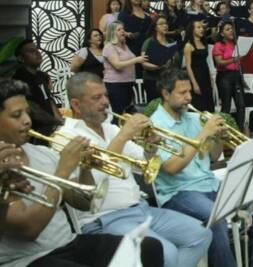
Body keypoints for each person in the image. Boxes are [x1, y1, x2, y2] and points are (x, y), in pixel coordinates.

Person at [0, 78, 165, 267]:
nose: (27, 120)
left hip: (68, 244)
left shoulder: (41, 153)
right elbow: (29, 230)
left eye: (27, 113)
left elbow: (83, 204)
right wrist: (63, 169)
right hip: (27, 260)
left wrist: (86, 166)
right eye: (16, 115)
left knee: (147, 248)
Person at [57, 72, 212, 267]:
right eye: (97, 98)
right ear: (76, 105)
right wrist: (123, 136)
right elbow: (94, 182)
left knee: (201, 234)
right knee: (167, 252)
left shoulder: (111, 128)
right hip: (103, 220)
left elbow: (145, 167)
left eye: (105, 95)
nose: (105, 102)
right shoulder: (68, 136)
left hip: (140, 209)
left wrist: (150, 146)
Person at [151, 69, 253, 267]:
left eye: (189, 92)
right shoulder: (155, 126)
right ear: (165, 95)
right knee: (215, 216)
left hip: (209, 184)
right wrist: (203, 134)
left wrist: (218, 136)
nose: (189, 98)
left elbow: (213, 156)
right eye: (182, 93)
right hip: (179, 193)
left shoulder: (192, 118)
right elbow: (171, 168)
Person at [12, 39, 63, 136]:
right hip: (35, 132)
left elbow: (50, 101)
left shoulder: (42, 76)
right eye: (32, 51)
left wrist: (60, 122)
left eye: (37, 50)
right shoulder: (20, 79)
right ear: (21, 58)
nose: (38, 53)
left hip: (51, 128)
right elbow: (33, 110)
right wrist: (56, 122)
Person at [103, 21, 147, 115]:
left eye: (123, 29)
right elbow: (117, 65)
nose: (123, 31)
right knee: (119, 113)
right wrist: (136, 60)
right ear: (112, 33)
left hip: (128, 83)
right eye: (119, 30)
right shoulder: (109, 47)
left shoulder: (125, 45)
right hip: (116, 85)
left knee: (127, 112)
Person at [213, 22, 246, 131]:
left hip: (236, 76)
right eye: (227, 29)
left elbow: (240, 63)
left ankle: (240, 131)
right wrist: (233, 59)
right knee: (226, 106)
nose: (231, 31)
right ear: (222, 33)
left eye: (231, 28)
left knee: (241, 105)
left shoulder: (236, 44)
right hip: (224, 77)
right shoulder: (219, 45)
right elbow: (219, 62)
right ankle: (223, 132)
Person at [141, 16, 181, 101]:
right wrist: (159, 67)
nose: (165, 26)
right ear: (155, 27)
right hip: (153, 80)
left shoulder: (171, 41)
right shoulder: (149, 42)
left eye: (166, 23)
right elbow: (143, 63)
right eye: (161, 24)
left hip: (169, 80)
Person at [118, 0, 152, 78]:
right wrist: (128, 34)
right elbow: (118, 30)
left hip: (145, 48)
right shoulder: (124, 14)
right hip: (130, 48)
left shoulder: (147, 15)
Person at [183, 20, 215, 112]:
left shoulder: (204, 43)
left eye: (202, 27)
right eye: (198, 27)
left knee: (209, 104)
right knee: (198, 105)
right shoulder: (188, 45)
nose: (202, 29)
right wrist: (194, 84)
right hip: (196, 76)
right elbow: (188, 66)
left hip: (205, 75)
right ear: (192, 30)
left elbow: (206, 62)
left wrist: (211, 78)